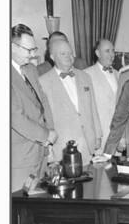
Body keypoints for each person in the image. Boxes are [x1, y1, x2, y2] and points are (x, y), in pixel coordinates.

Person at [39, 35, 102, 165]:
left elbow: (93, 108)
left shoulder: (85, 77)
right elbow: (43, 118)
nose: (69, 57)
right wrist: (48, 147)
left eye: (70, 53)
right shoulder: (43, 82)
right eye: (63, 54)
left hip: (87, 144)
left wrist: (98, 135)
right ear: (52, 57)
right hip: (62, 147)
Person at [10, 24, 57, 192]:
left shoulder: (31, 70)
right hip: (21, 157)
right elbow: (15, 117)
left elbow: (43, 102)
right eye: (28, 50)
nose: (33, 55)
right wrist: (44, 135)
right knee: (19, 208)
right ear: (12, 47)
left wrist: (51, 133)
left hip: (41, 152)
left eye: (34, 49)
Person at [84, 39, 120, 153]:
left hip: (116, 135)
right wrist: (95, 135)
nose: (112, 55)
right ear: (98, 53)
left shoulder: (118, 74)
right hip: (99, 136)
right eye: (107, 51)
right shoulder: (86, 75)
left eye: (113, 51)